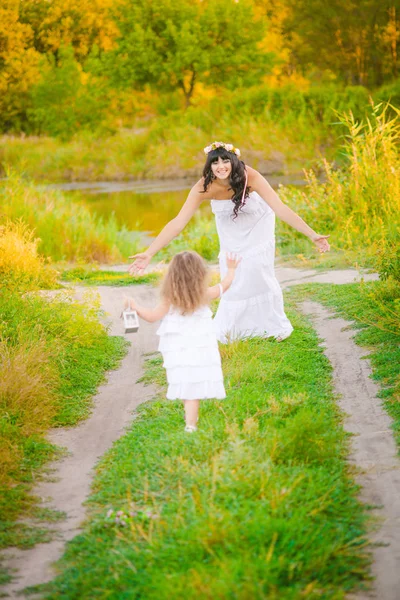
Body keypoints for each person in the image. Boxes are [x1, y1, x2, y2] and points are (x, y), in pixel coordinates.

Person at [129, 141, 330, 343]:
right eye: (215, 162)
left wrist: (312, 234)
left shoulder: (250, 176)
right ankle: (237, 329)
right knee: (233, 274)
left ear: (233, 161)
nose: (220, 166)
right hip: (230, 229)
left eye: (225, 160)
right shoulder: (203, 187)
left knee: (255, 267)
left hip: (257, 222)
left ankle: (271, 325)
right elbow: (178, 222)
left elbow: (280, 208)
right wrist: (149, 252)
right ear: (209, 166)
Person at [124, 250, 241, 432]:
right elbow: (224, 285)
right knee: (193, 385)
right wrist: (232, 269)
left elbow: (152, 316)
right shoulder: (204, 294)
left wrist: (135, 306)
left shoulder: (170, 298)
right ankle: (191, 422)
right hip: (201, 349)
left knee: (187, 385)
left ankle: (190, 424)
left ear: (172, 276)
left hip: (178, 349)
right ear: (200, 274)